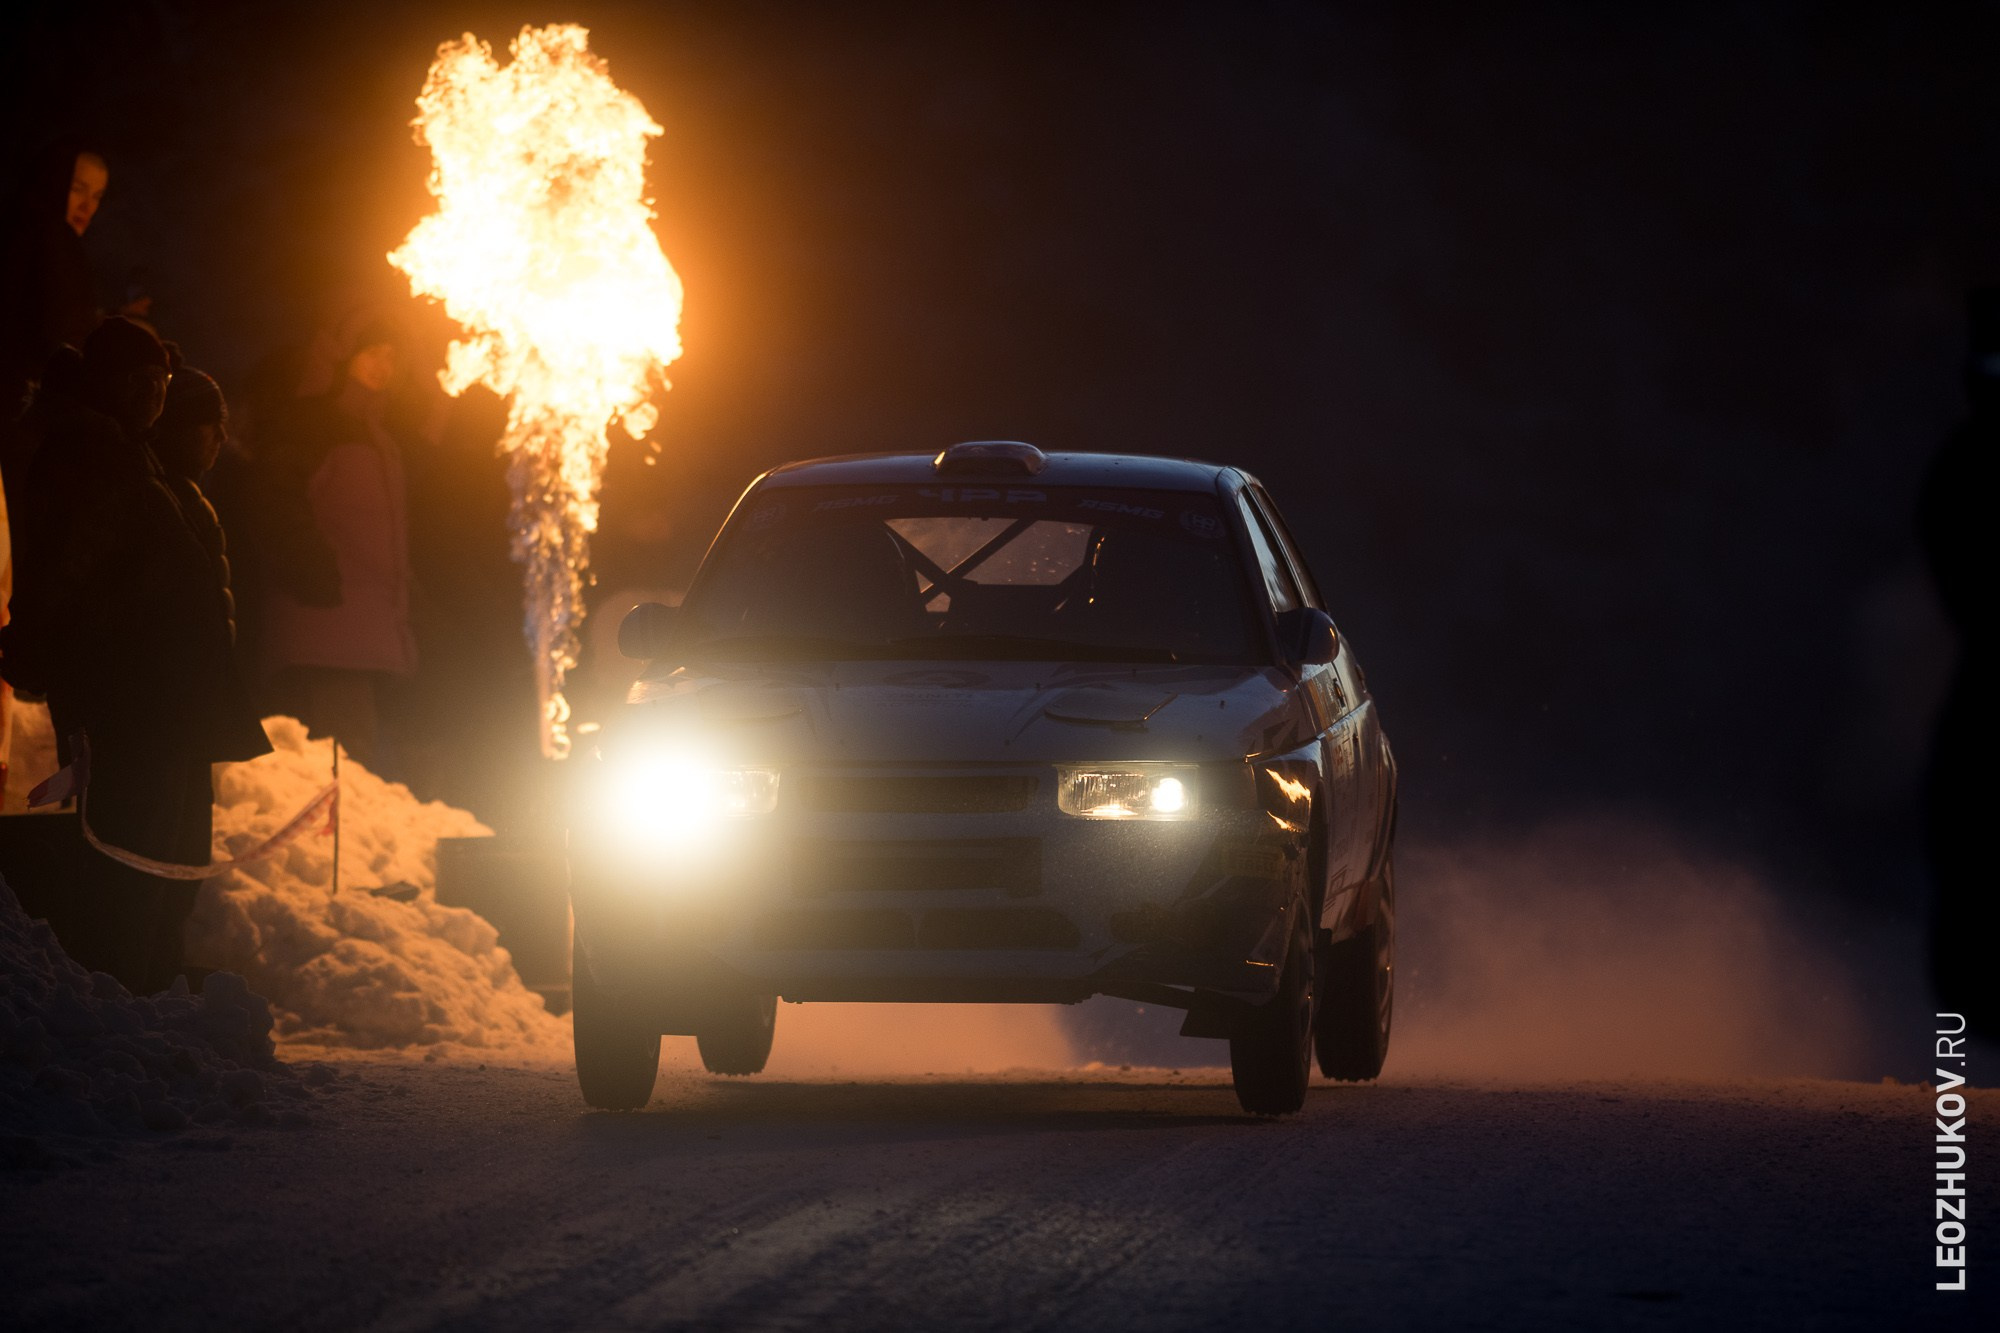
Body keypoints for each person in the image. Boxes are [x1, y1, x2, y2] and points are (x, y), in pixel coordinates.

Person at [2, 318, 269, 992]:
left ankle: (143, 985)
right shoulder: (90, 455)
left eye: (161, 382)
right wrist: (40, 644)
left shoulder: (130, 454)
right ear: (110, 384)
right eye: (140, 381)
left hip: (161, 698)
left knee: (166, 856)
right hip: (128, 698)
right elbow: (71, 565)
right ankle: (119, 991)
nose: (153, 394)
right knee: (131, 856)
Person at [252, 311, 416, 771]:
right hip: (322, 619)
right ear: (345, 357)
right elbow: (276, 502)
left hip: (364, 620)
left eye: (390, 356)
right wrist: (312, 572)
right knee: (337, 758)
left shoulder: (381, 436)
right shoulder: (315, 425)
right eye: (370, 353)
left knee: (348, 756)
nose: (382, 366)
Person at [1, 143, 107, 423]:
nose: (88, 206)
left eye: (97, 196)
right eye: (77, 189)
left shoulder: (26, 232)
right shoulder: (52, 239)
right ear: (55, 182)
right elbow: (59, 330)